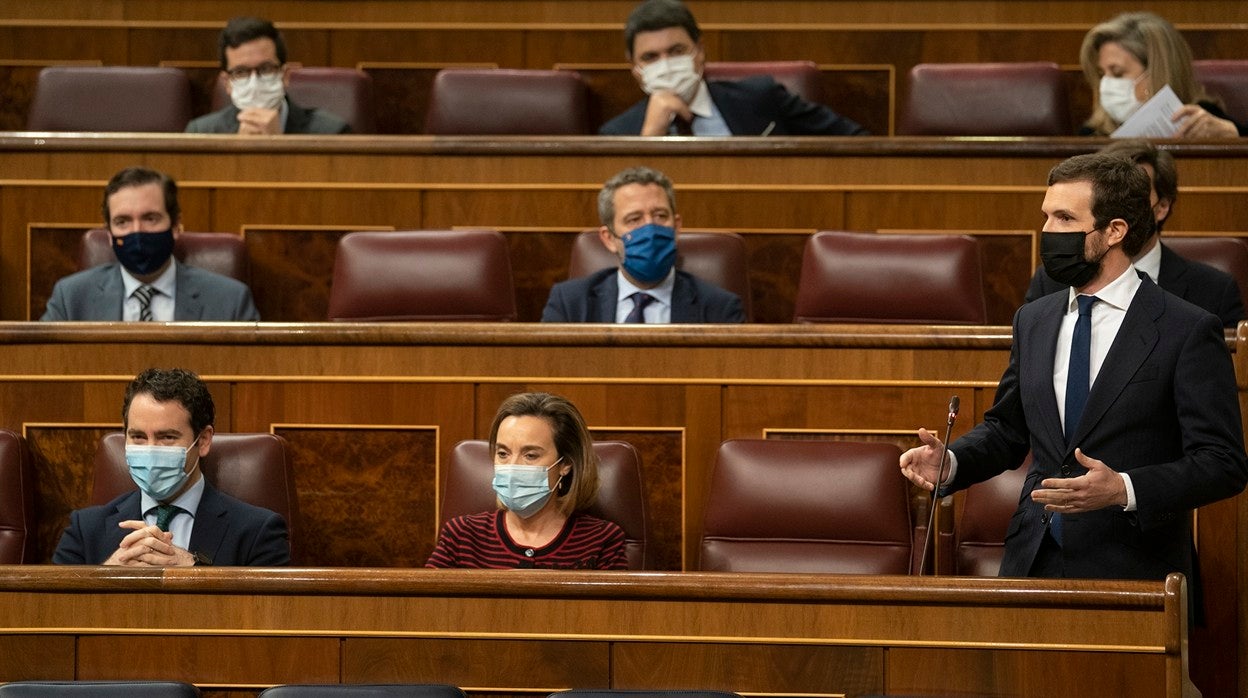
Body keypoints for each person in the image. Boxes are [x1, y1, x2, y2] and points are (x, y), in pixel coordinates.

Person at [899, 153, 1247, 590]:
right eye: (1046, 216)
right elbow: (1008, 430)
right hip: (1032, 562)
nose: (1047, 232)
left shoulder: (1187, 328)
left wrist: (1123, 488)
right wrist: (951, 462)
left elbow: (1223, 463)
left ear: (1114, 231)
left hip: (1136, 571)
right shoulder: (1034, 319)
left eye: (1064, 218)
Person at [53, 368, 290, 566]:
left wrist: (194, 574)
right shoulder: (85, 530)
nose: (150, 449)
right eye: (138, 437)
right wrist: (109, 575)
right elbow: (54, 615)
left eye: (166, 437)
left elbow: (266, 616)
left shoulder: (257, 532)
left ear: (204, 440)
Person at [1025, 140, 1244, 327]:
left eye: (1135, 197)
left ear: (1162, 206)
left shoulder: (1213, 292)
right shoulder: (1049, 283)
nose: (1121, 207)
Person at [599, 0, 867, 137]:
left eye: (676, 51)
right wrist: (649, 140)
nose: (666, 64)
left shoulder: (761, 97)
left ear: (700, 51)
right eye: (651, 57)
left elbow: (855, 143)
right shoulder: (617, 133)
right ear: (635, 68)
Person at [426, 392, 627, 569]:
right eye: (503, 453)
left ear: (565, 463)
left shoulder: (602, 541)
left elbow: (614, 612)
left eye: (530, 455)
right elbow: (423, 606)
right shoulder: (462, 536)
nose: (512, 466)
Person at [41, 167, 260, 322]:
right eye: (123, 221)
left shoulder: (230, 300)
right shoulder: (71, 298)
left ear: (175, 226)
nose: (137, 231)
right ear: (109, 233)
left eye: (150, 218)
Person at [541, 166, 744, 323]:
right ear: (608, 238)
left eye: (660, 216)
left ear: (676, 227)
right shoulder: (569, 303)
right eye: (634, 219)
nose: (650, 228)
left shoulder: (720, 308)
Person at [1080, 12, 1245, 138]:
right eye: (1102, 74)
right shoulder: (1091, 134)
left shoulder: (1205, 122)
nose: (1106, 84)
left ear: (1157, 71)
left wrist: (1233, 133)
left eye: (1117, 73)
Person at [185, 16, 351, 135]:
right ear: (227, 83)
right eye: (241, 72)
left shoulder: (331, 132)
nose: (254, 81)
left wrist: (278, 148)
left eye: (266, 69)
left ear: (285, 75)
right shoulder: (202, 132)